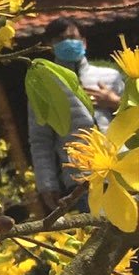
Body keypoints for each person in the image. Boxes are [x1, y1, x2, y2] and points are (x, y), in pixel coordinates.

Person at [28, 18, 127, 211]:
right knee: (101, 232)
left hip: (123, 167)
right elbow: (41, 141)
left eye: (73, 37)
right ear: (50, 46)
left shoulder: (111, 76)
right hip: (82, 178)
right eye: (61, 39)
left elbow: (134, 117)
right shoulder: (43, 86)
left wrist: (115, 101)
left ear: (84, 42)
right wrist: (47, 185)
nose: (69, 42)